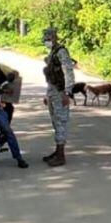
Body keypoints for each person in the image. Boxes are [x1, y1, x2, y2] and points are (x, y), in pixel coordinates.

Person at [42, 27, 76, 167]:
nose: (47, 41)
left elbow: (68, 71)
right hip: (53, 90)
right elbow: (51, 76)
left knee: (61, 121)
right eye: (45, 39)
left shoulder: (61, 52)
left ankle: (61, 155)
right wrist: (47, 94)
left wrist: (67, 92)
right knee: (55, 121)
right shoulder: (52, 52)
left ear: (55, 38)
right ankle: (57, 151)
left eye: (49, 38)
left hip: (60, 91)